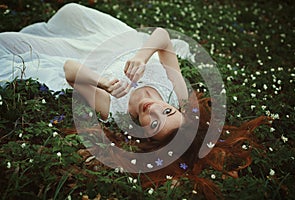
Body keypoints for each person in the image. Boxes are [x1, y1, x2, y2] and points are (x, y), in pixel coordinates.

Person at [0, 3, 271, 199]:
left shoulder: (113, 107)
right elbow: (162, 36)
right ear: (175, 106)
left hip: (93, 60)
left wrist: (101, 82)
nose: (153, 110)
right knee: (73, 12)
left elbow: (70, 70)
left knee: (10, 44)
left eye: (153, 124)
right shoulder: (174, 91)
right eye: (166, 111)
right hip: (121, 45)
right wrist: (142, 57)